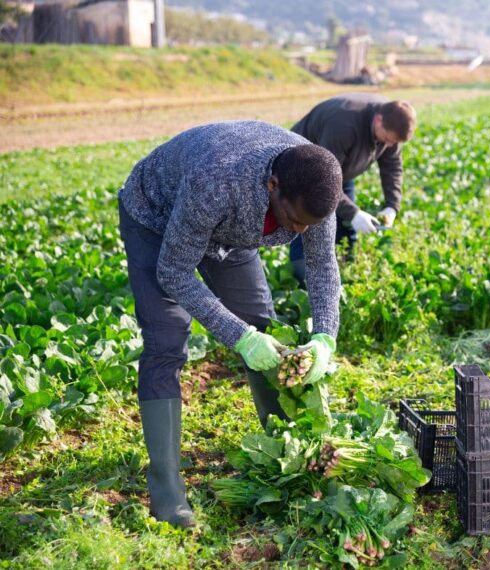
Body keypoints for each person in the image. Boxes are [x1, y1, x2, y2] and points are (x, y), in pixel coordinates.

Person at [117, 120, 343, 528]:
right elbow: (174, 272)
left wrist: (325, 335)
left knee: (260, 320)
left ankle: (287, 453)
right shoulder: (217, 182)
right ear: (273, 185)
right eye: (295, 220)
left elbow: (323, 267)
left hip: (231, 232)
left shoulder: (316, 184)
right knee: (166, 340)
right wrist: (239, 338)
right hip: (157, 217)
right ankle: (166, 485)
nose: (301, 230)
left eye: (310, 223)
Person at [289, 93, 417, 283]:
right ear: (378, 119)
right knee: (309, 218)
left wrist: (392, 205)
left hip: (340, 168)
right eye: (387, 139)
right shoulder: (343, 125)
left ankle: (344, 268)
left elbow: (392, 167)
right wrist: (354, 213)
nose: (389, 145)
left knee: (346, 226)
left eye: (393, 143)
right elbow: (323, 180)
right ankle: (304, 277)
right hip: (305, 166)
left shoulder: (392, 126)